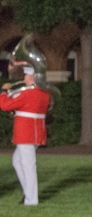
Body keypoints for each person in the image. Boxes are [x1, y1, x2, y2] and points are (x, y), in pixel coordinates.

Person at [1, 64, 50, 206]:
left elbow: (4, 105)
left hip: (25, 133)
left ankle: (31, 200)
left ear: (33, 78)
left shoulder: (27, 93)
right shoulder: (44, 93)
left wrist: (4, 91)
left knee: (28, 166)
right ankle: (28, 193)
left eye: (28, 76)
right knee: (17, 162)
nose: (25, 79)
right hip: (36, 133)